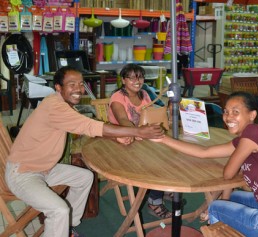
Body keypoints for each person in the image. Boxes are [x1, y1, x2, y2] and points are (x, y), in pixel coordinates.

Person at [5, 66, 164, 237]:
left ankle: (67, 227)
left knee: (85, 177)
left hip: (45, 168)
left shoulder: (60, 103)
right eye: (71, 84)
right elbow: (90, 126)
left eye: (81, 84)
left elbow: (86, 127)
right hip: (23, 173)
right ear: (58, 87)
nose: (79, 89)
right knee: (59, 210)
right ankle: (61, 225)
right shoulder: (55, 107)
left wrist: (115, 137)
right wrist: (137, 132)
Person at [151, 91, 258, 236]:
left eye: (235, 112)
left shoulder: (253, 132)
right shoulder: (249, 138)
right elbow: (205, 152)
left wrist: (237, 161)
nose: (228, 117)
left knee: (215, 207)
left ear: (252, 115)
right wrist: (163, 139)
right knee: (233, 198)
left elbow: (228, 174)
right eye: (226, 112)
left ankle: (217, 223)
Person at [108, 63, 172, 219]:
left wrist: (168, 110)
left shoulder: (144, 94)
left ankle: (162, 186)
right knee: (157, 161)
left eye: (140, 77)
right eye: (131, 78)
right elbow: (123, 120)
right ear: (123, 80)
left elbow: (150, 112)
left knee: (171, 153)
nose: (137, 81)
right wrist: (141, 133)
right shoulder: (117, 98)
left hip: (142, 139)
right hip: (122, 142)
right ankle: (154, 201)